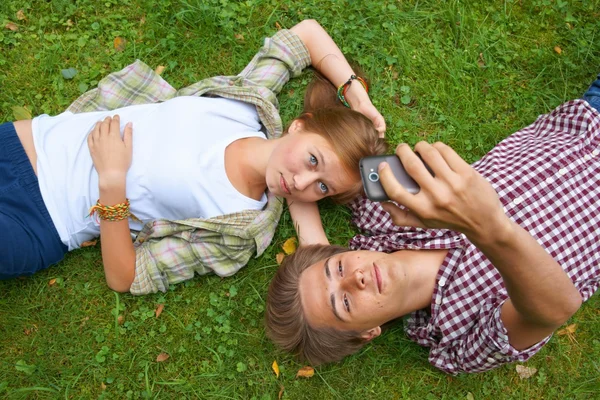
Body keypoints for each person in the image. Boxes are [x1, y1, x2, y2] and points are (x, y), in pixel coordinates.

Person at [0, 20, 387, 293]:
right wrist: (357, 95)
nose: (301, 181)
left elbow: (126, 276)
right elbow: (306, 34)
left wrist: (112, 183)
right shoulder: (247, 104)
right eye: (313, 160)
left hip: (39, 222)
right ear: (300, 125)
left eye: (321, 186)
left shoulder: (238, 231)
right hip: (25, 141)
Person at [265, 74, 600, 374]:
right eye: (346, 303)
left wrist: (354, 95)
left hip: (585, 119)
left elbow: (317, 155)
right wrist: (488, 227)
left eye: (337, 269)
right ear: (368, 334)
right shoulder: (458, 341)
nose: (357, 277)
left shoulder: (381, 212)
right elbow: (556, 309)